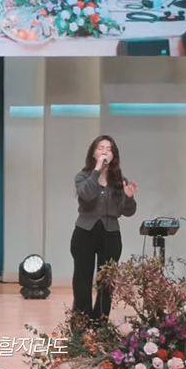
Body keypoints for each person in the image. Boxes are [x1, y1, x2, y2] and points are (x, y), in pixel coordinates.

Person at [71, 135, 138, 322]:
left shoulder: (120, 180)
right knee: (82, 279)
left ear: (114, 155)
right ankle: (82, 321)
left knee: (106, 281)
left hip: (110, 233)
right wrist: (97, 171)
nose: (104, 152)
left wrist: (129, 197)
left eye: (109, 149)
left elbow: (128, 211)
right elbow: (86, 195)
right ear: (93, 153)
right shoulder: (83, 177)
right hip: (85, 232)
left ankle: (101, 321)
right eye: (100, 148)